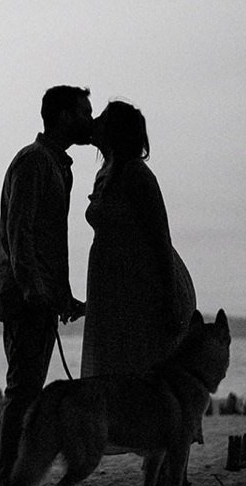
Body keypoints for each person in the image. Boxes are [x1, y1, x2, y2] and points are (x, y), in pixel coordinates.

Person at [0, 84, 92, 486]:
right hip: (25, 298)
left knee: (27, 390)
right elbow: (21, 232)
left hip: (38, 297)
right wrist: (34, 290)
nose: (90, 120)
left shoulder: (55, 164)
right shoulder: (35, 163)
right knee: (22, 392)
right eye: (84, 112)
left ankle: (10, 483)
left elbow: (51, 242)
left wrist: (63, 297)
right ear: (65, 116)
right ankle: (6, 485)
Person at [80, 99, 197, 380]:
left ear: (115, 131)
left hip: (142, 288)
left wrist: (169, 300)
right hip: (118, 289)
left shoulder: (136, 175)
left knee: (137, 374)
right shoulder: (105, 174)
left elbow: (160, 237)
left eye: (103, 118)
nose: (94, 122)